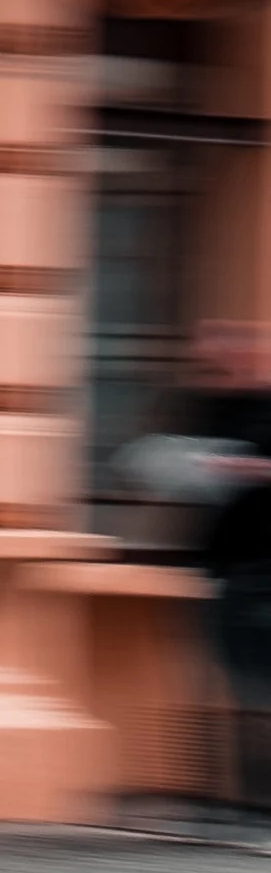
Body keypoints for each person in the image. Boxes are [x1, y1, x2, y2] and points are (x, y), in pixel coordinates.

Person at [129, 320, 271, 815]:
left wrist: (244, 468)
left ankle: (254, 798)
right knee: (226, 680)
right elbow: (153, 458)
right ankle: (226, 794)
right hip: (224, 566)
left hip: (260, 565)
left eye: (229, 346)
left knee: (255, 684)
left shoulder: (263, 405)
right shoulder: (206, 404)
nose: (217, 357)